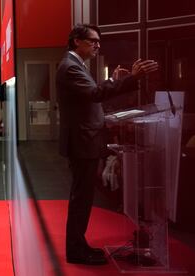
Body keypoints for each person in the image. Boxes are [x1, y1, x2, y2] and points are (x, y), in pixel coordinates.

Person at [56, 24, 158, 265]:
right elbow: (94, 94)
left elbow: (90, 96)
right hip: (82, 142)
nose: (97, 45)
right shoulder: (71, 67)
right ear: (76, 41)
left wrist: (113, 80)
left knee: (82, 197)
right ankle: (76, 251)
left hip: (85, 140)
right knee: (81, 198)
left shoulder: (75, 65)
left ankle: (78, 247)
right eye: (93, 41)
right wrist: (133, 79)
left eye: (98, 41)